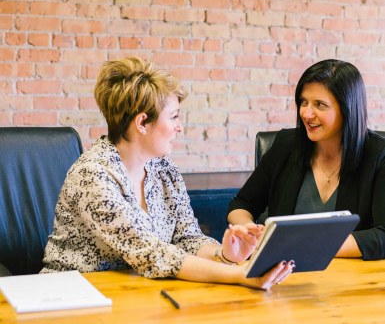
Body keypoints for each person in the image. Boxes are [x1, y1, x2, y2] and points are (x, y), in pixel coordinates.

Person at [41, 56, 294, 290]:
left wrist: (225, 255)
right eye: (173, 117)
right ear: (142, 123)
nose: (179, 127)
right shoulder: (93, 175)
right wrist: (240, 275)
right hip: (71, 296)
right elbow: (151, 253)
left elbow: (188, 238)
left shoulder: (164, 169)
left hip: (136, 294)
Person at [228, 59, 385, 260]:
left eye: (319, 105)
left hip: (352, 280)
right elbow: (241, 204)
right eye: (303, 102)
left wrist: (305, 245)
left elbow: (382, 236)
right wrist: (248, 230)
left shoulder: (379, 155)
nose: (306, 113)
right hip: (283, 275)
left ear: (347, 109)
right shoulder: (286, 145)